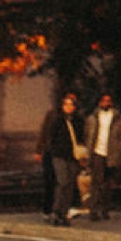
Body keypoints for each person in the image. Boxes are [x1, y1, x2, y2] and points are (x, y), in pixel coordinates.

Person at [36, 92, 83, 226]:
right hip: (58, 154)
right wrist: (45, 149)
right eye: (66, 104)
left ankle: (64, 212)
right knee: (62, 181)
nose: (68, 107)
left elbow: (81, 137)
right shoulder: (57, 119)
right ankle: (56, 210)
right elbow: (48, 134)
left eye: (71, 104)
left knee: (70, 183)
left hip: (73, 156)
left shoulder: (78, 121)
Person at [83, 93, 121, 221]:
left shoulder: (118, 118)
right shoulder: (93, 117)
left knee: (108, 184)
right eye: (104, 100)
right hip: (97, 152)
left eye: (109, 101)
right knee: (96, 183)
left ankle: (104, 209)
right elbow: (87, 134)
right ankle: (93, 210)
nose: (106, 103)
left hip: (112, 154)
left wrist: (119, 151)